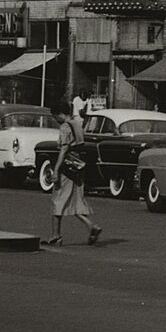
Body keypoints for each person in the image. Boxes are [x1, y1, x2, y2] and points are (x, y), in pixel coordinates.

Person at [44, 105, 100, 248]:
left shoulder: (65, 127)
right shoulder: (77, 124)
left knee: (57, 200)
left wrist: (56, 170)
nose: (56, 120)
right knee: (75, 201)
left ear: (60, 114)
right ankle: (91, 225)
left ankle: (56, 236)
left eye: (55, 117)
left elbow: (64, 150)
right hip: (78, 167)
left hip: (67, 168)